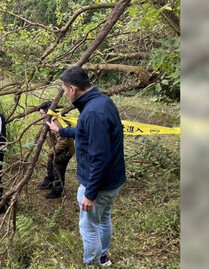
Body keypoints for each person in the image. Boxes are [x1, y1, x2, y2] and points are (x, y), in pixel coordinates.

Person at [46, 66, 126, 267]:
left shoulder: (92, 112)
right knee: (104, 218)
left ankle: (91, 263)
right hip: (112, 181)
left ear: (72, 88)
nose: (63, 94)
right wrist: (62, 131)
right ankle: (103, 257)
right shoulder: (101, 102)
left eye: (64, 89)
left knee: (89, 227)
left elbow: (99, 157)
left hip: (98, 184)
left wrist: (90, 193)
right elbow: (87, 133)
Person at [37, 101, 75, 199]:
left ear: (48, 113)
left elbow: (63, 141)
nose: (40, 116)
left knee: (58, 170)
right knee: (50, 165)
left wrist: (51, 152)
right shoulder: (49, 121)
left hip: (65, 151)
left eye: (42, 114)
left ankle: (57, 190)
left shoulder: (57, 122)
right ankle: (49, 182)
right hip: (56, 149)